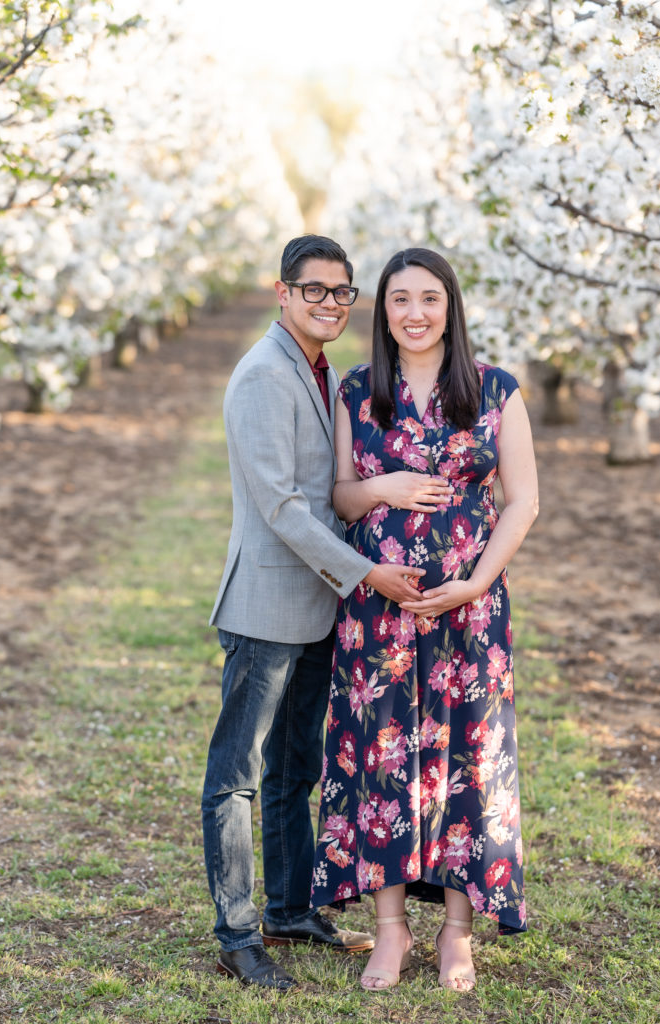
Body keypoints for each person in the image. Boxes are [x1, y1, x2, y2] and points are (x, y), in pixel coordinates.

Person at [202, 236, 452, 991]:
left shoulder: (322, 374)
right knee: (237, 777)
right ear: (282, 293)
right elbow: (282, 506)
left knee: (294, 771)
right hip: (268, 605)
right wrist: (366, 571)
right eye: (313, 290)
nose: (328, 304)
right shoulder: (260, 378)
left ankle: (289, 909)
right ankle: (237, 935)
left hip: (320, 607)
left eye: (340, 292)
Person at [310, 248, 539, 992]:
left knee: (467, 760)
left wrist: (473, 582)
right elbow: (341, 498)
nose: (414, 313)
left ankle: (455, 932)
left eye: (429, 299)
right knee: (379, 761)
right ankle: (389, 931)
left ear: (451, 308)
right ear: (382, 311)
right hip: (377, 614)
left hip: (468, 619)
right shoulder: (356, 390)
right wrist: (386, 486)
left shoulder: (495, 390)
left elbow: (522, 501)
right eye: (399, 299)